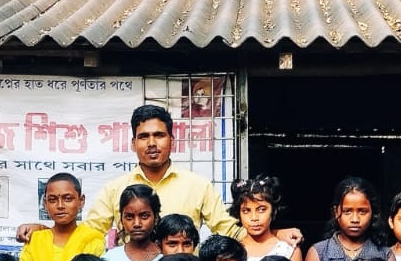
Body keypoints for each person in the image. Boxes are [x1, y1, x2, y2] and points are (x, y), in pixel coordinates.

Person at [19, 104, 260, 242]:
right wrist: (44, 230)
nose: (151, 143)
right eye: (144, 137)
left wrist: (276, 237)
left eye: (159, 135)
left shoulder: (198, 185)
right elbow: (87, 234)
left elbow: (230, 231)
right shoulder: (116, 188)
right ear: (133, 144)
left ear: (172, 141)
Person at [22, 173, 105, 261]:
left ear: (81, 201)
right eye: (53, 200)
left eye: (67, 199)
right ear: (45, 203)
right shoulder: (35, 239)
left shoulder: (92, 238)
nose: (60, 205)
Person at [233, 176, 301, 261]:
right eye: (246, 211)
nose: (254, 218)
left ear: (273, 210)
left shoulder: (289, 250)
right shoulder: (232, 250)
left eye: (261, 209)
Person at [100, 184, 162, 261]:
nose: (137, 224)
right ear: (121, 219)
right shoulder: (110, 260)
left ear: (156, 218)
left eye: (144, 216)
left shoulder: (165, 257)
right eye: (129, 217)